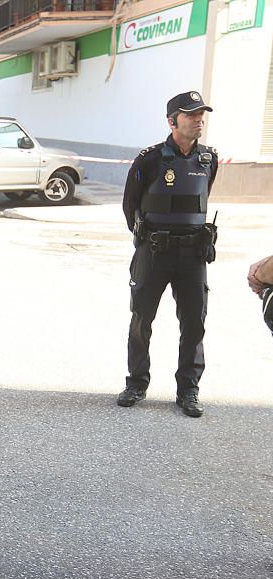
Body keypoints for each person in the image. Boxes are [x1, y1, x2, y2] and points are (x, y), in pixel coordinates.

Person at [117, 91, 219, 418]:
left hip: (192, 256)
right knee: (141, 320)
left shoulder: (209, 159)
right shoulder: (149, 159)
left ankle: (188, 390)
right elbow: (130, 205)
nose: (198, 120)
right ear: (173, 120)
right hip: (155, 251)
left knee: (194, 324)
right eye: (191, 114)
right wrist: (146, 235)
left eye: (201, 114)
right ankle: (136, 383)